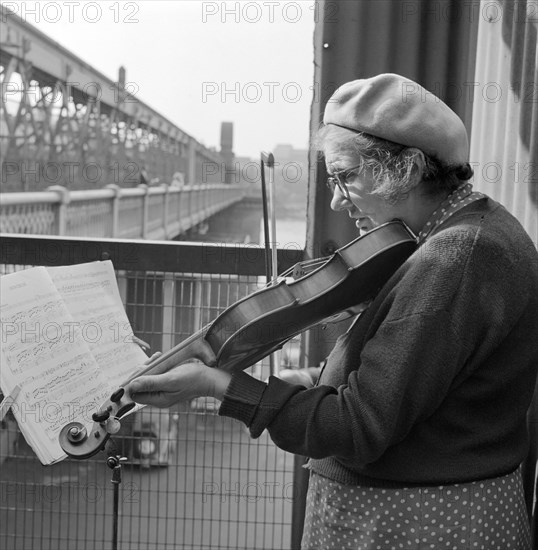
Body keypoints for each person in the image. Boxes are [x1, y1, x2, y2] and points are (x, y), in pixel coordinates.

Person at [126, 74, 538, 550]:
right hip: (416, 516)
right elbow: (422, 384)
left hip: (417, 526)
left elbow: (358, 427)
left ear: (404, 167)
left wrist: (218, 385)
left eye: (347, 177)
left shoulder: (456, 259)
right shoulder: (465, 235)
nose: (338, 201)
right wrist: (315, 377)